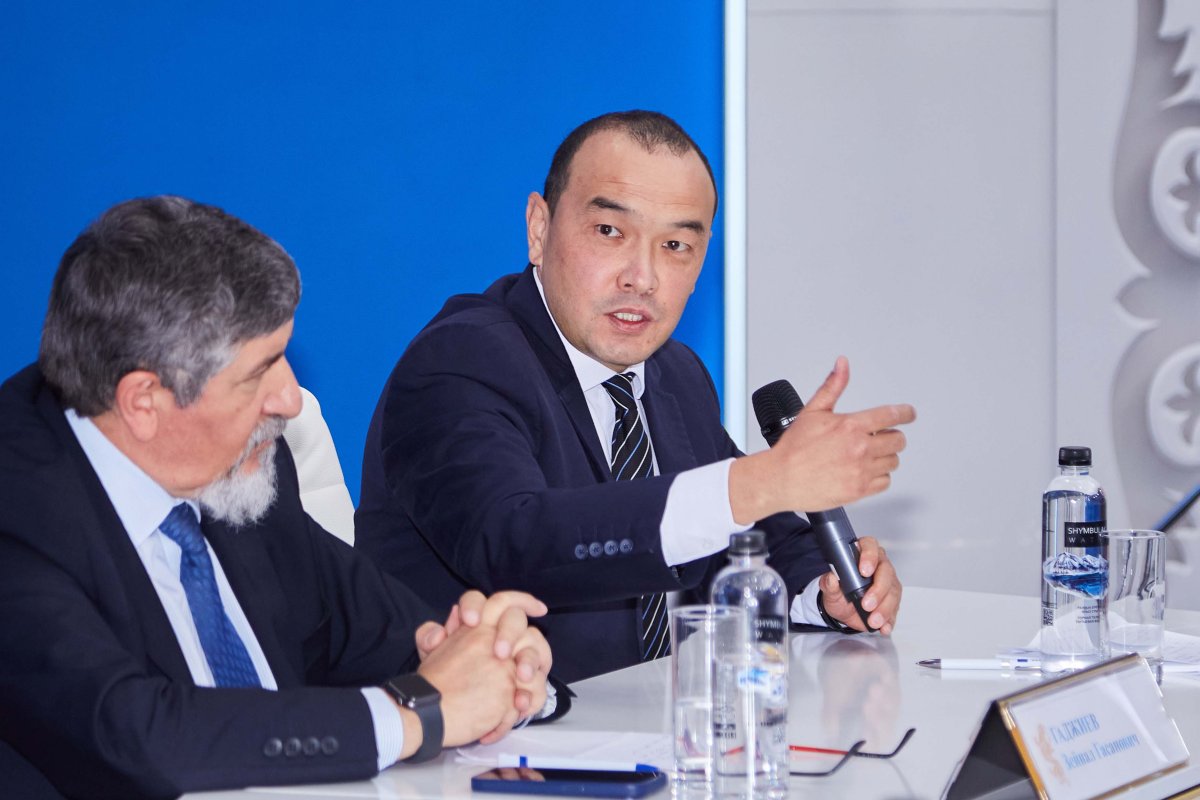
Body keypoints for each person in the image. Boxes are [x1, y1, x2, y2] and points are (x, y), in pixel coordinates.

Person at [0, 196, 553, 800]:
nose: (290, 400)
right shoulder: (18, 510)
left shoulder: (245, 468)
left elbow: (384, 629)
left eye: (284, 354)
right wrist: (417, 714)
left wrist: (495, 661)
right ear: (143, 401)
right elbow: (135, 736)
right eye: (258, 372)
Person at [357, 110, 916, 683]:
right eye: (609, 231)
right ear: (539, 229)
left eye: (675, 244)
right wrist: (764, 480)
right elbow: (516, 543)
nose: (642, 277)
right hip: (486, 726)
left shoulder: (674, 373)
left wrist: (825, 592)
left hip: (652, 722)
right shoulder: (461, 359)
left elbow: (747, 532)